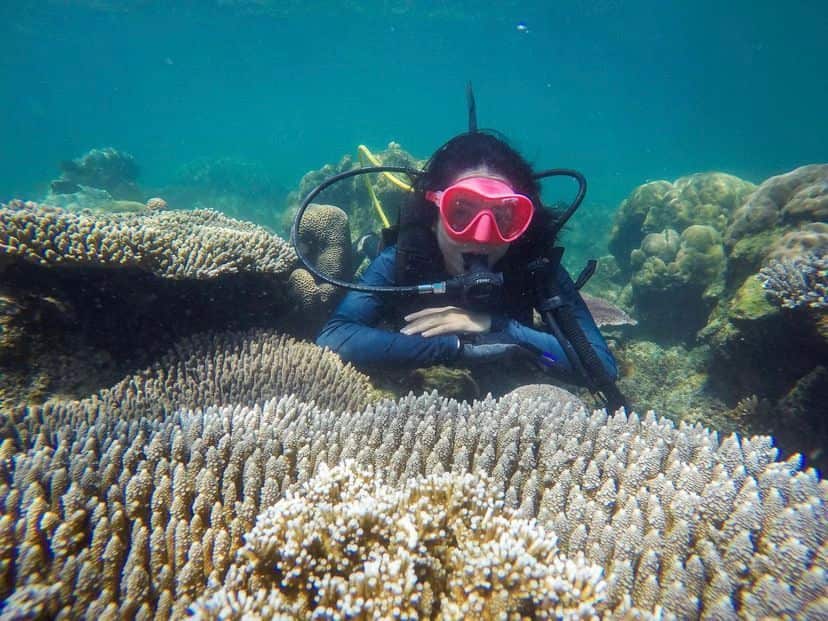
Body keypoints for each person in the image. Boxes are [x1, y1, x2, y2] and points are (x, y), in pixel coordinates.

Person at [315, 131, 617, 389]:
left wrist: (497, 327)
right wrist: (455, 348)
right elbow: (334, 337)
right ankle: (368, 244)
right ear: (433, 218)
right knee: (376, 252)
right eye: (461, 212)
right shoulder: (405, 257)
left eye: (503, 217)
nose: (482, 235)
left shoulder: (535, 266)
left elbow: (601, 368)